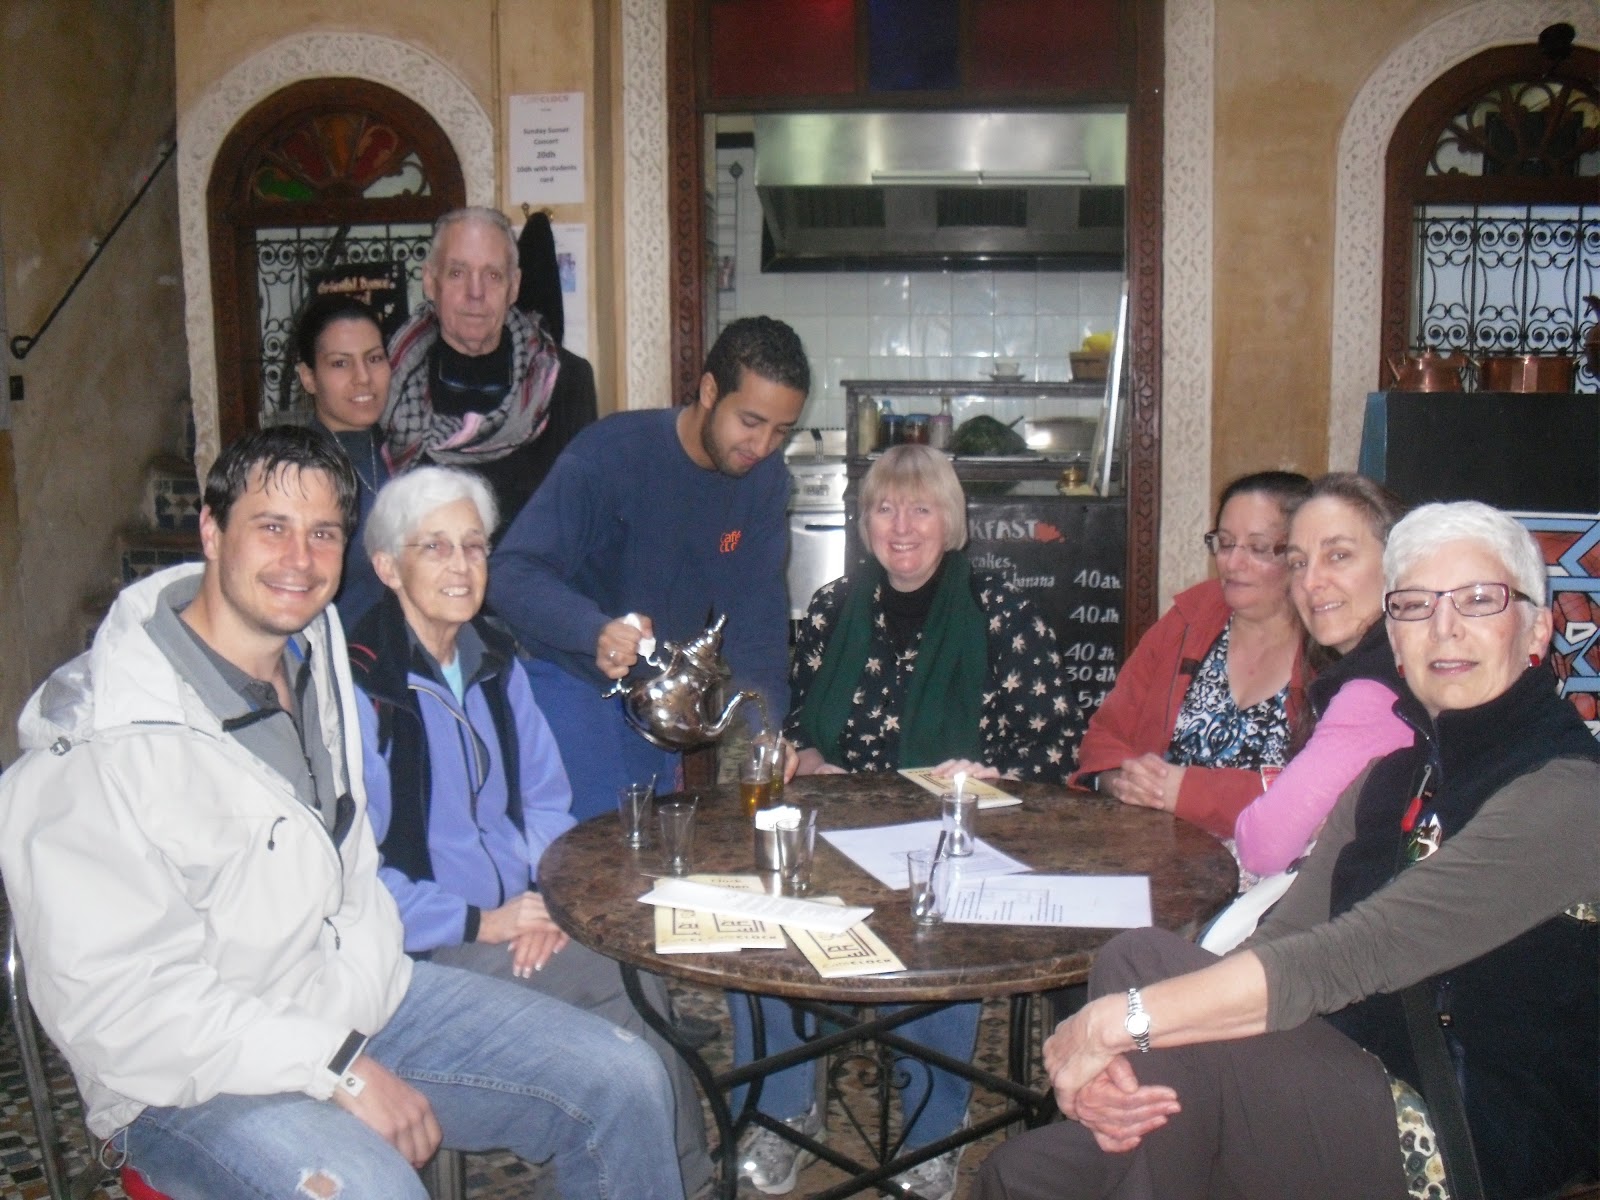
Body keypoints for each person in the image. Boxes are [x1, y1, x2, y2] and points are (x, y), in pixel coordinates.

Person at [0, 427, 683, 1199]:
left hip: (351, 1002)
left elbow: (356, 874)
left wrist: (356, 1017)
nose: (300, 559)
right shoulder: (96, 742)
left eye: (323, 532)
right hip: (185, 1077)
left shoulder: (313, 660)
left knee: (623, 1078)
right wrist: (337, 1064)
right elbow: (123, 1013)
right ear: (212, 531)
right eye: (272, 527)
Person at [977, 500, 1598, 1200]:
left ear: (1537, 628)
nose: (1444, 627)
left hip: (1457, 1135)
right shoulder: (1388, 780)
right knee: (1020, 1170)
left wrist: (1116, 1024)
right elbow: (1284, 936)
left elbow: (1360, 951)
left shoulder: (1571, 793)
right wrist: (1125, 1059)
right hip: (1331, 1069)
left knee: (1144, 969)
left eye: (1479, 600)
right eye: (1416, 605)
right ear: (1395, 640)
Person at [346, 465, 711, 1195]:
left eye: (474, 546)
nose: (460, 566)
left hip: (517, 917)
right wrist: (486, 922)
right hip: (421, 950)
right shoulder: (363, 687)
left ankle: (659, 1179)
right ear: (387, 566)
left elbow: (546, 800)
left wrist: (546, 902)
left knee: (632, 970)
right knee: (623, 999)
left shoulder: (495, 661)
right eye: (435, 547)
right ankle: (674, 1180)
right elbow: (354, 877)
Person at [733, 445, 1084, 1199]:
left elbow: (1056, 744)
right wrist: (807, 755)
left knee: (937, 925)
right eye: (884, 508)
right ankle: (783, 1110)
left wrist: (993, 772)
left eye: (920, 508)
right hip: (837, 838)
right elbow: (801, 725)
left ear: (950, 520)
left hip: (953, 844)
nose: (901, 526)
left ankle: (932, 1135)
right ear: (864, 524)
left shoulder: (1000, 611)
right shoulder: (831, 607)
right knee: (751, 920)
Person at [488, 315, 808, 821]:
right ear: (709, 391)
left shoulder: (764, 481)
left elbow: (757, 618)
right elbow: (509, 572)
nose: (763, 445)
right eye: (750, 422)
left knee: (652, 853)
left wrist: (764, 727)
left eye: (781, 430)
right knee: (592, 852)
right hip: (569, 683)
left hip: (656, 706)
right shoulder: (611, 454)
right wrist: (594, 630)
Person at [1071, 471, 1312, 840]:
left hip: (1277, 867)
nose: (1232, 563)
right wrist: (1119, 780)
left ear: (1300, 556)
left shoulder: (1330, 649)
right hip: (1157, 853)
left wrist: (1187, 792)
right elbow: (1105, 735)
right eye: (1225, 543)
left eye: (1258, 548)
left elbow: (1317, 799)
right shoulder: (1188, 620)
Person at [1232, 472, 1413, 878]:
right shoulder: (1404, 662)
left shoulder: (1376, 691)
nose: (1310, 582)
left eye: (1338, 555)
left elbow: (1262, 846)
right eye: (1298, 563)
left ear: (1398, 565)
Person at [383, 206, 562, 526]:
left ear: (514, 286)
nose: (475, 293)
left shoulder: (562, 380)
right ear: (430, 281)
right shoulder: (387, 379)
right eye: (457, 273)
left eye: (492, 275)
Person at [297, 293, 393, 626]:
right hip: (337, 650)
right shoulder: (298, 472)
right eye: (340, 363)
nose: (363, 377)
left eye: (374, 358)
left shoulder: (409, 453)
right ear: (309, 377)